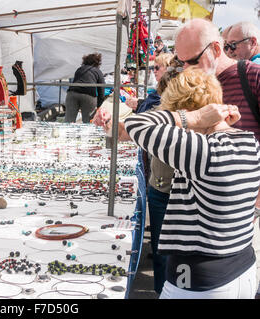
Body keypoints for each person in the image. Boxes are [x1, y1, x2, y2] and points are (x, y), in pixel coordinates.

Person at [122, 67, 259, 298]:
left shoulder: (200, 149)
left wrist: (191, 118)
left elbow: (135, 125)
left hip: (200, 279)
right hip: (243, 267)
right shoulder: (249, 141)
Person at [175, 18, 260, 297]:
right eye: (180, 62)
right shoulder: (197, 86)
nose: (184, 70)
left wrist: (255, 204)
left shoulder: (253, 77)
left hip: (247, 219)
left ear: (215, 48)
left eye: (191, 61)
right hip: (204, 224)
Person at [94, 55, 182, 295]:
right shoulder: (159, 112)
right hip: (160, 188)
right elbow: (127, 131)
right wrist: (107, 119)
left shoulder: (193, 121)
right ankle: (160, 291)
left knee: (175, 254)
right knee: (162, 251)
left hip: (178, 194)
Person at [65, 53, 105, 123]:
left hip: (72, 94)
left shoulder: (79, 69)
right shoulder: (98, 71)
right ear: (97, 62)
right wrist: (99, 105)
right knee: (88, 122)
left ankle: (66, 133)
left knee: (69, 121)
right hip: (88, 96)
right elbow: (101, 89)